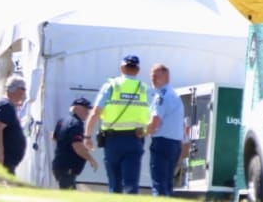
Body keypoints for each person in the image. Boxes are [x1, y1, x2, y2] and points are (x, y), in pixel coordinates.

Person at [84, 55, 150, 194]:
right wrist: (146, 132)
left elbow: (96, 112)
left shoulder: (112, 86)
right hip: (135, 139)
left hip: (112, 140)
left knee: (115, 184)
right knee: (131, 184)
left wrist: (87, 136)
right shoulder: (145, 89)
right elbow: (155, 115)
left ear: (121, 67)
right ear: (138, 70)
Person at [146, 64, 184, 196]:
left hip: (162, 143)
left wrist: (143, 132)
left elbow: (155, 121)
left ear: (166, 76)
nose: (153, 78)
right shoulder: (174, 94)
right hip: (174, 144)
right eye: (152, 76)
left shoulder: (161, 96)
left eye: (156, 75)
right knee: (167, 183)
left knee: (159, 184)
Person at [0, 75, 27, 174]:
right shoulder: (5, 106)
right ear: (15, 89)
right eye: (23, 89)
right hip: (3, 159)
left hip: (8, 160)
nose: (24, 93)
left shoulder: (7, 105)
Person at [52, 97, 98, 189]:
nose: (87, 112)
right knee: (68, 196)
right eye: (85, 109)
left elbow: (54, 137)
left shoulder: (62, 121)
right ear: (76, 108)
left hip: (60, 165)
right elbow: (77, 147)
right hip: (67, 168)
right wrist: (91, 160)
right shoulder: (76, 124)